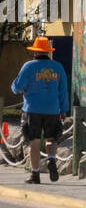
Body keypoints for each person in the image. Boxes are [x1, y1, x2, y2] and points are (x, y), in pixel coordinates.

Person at [10, 36, 68, 184]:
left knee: (34, 142)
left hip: (32, 110)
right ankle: (51, 159)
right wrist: (64, 109)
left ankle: (35, 175)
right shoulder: (58, 67)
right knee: (51, 139)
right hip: (53, 110)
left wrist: (16, 86)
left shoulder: (28, 66)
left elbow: (18, 87)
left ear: (35, 52)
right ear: (48, 52)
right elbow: (63, 90)